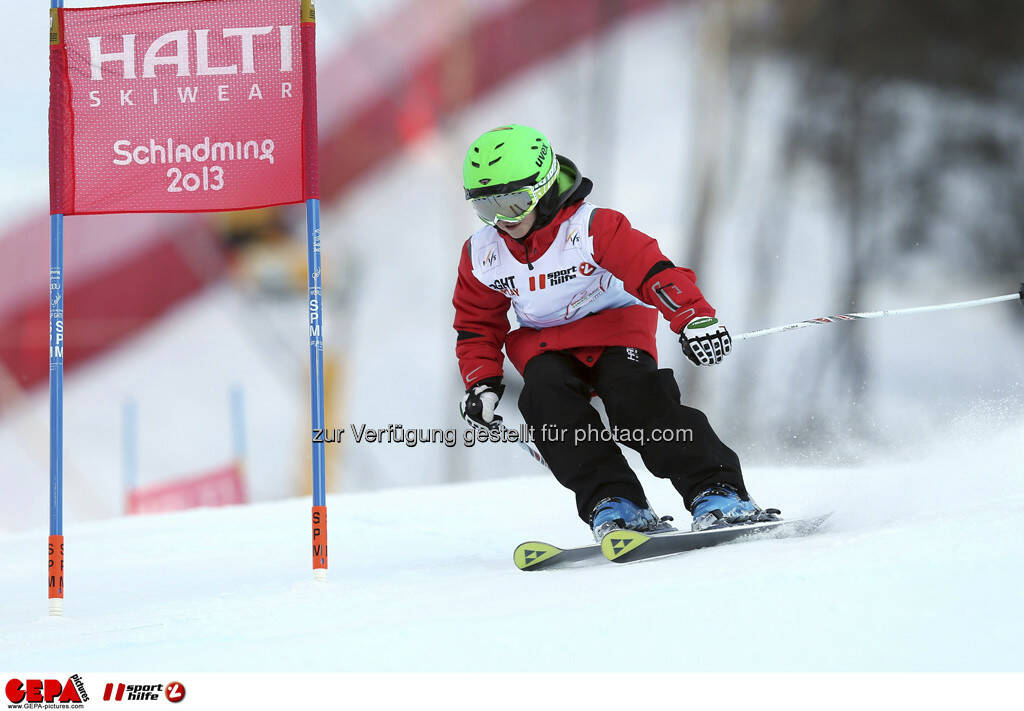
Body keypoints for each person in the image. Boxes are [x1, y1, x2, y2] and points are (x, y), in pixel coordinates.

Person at [452, 124, 777, 541]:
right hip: (546, 345)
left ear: (545, 188)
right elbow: (476, 324)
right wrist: (482, 383)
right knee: (545, 404)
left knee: (637, 401)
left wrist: (694, 318)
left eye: (514, 204)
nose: (502, 220)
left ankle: (718, 491)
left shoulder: (592, 227)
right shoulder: (483, 254)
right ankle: (617, 503)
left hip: (616, 334)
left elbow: (653, 271)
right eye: (486, 207)